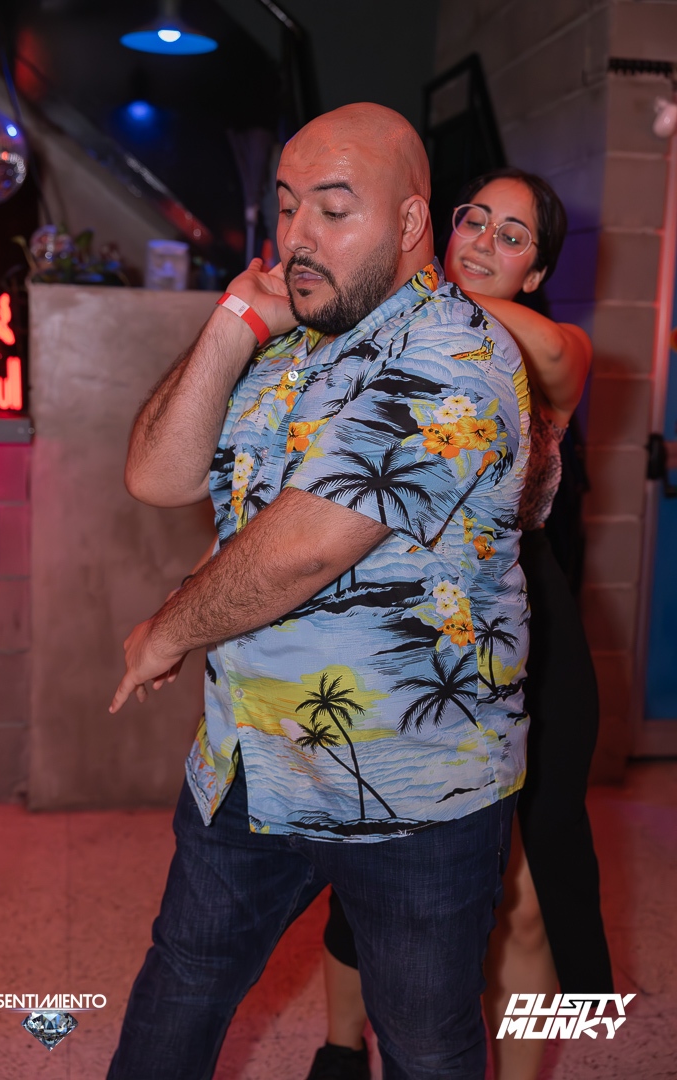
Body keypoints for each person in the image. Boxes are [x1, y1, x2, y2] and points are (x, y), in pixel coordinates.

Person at [106, 104, 531, 1080]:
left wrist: (169, 629)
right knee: (180, 989)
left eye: (333, 211)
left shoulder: (462, 357)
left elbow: (303, 548)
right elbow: (157, 476)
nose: (298, 235)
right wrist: (233, 323)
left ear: (411, 222)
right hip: (251, 766)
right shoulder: (285, 347)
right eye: (288, 206)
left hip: (417, 789)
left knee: (425, 1043)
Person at [307, 168, 613, 1080]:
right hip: (398, 601)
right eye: (473, 219)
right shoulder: (395, 331)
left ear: (537, 271)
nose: (481, 240)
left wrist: (428, 292)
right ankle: (339, 1051)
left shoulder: (554, 346)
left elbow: (557, 353)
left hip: (529, 618)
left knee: (529, 887)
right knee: (376, 855)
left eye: (511, 236)